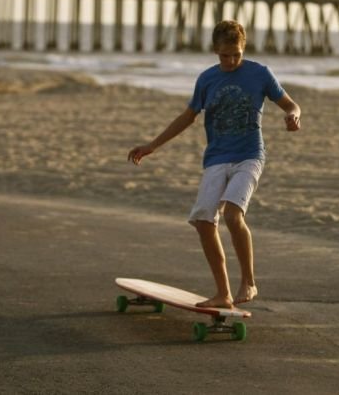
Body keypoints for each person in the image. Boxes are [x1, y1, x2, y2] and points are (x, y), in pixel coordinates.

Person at [127, 20, 301, 309]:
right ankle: (223, 293)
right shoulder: (207, 79)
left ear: (243, 48)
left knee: (233, 215)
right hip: (217, 158)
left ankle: (249, 281)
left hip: (249, 156)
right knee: (204, 220)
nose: (231, 61)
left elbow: (291, 104)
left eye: (237, 54)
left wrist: (293, 116)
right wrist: (152, 145)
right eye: (225, 55)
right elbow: (187, 117)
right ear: (215, 50)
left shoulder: (260, 74)